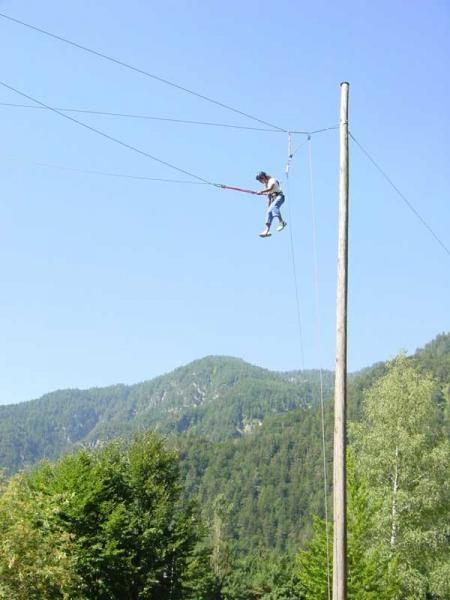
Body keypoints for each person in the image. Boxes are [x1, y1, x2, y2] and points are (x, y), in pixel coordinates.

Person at [255, 171, 287, 238]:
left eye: (260, 180)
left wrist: (261, 191)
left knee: (274, 208)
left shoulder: (272, 180)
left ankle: (281, 222)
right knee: (269, 211)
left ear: (263, 177)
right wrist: (268, 206)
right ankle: (267, 230)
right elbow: (269, 197)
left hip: (280, 197)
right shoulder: (266, 184)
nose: (260, 182)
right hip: (274, 199)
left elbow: (270, 188)